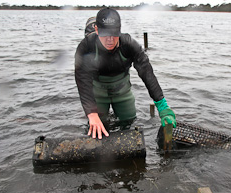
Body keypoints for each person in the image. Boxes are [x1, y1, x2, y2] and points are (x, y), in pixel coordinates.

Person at [75, 7, 176, 139]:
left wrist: (162, 105)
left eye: (114, 34)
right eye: (105, 34)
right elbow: (83, 80)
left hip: (122, 90)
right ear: (97, 30)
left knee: (128, 122)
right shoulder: (86, 47)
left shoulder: (129, 44)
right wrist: (91, 113)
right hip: (97, 91)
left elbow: (146, 72)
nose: (110, 39)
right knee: (97, 126)